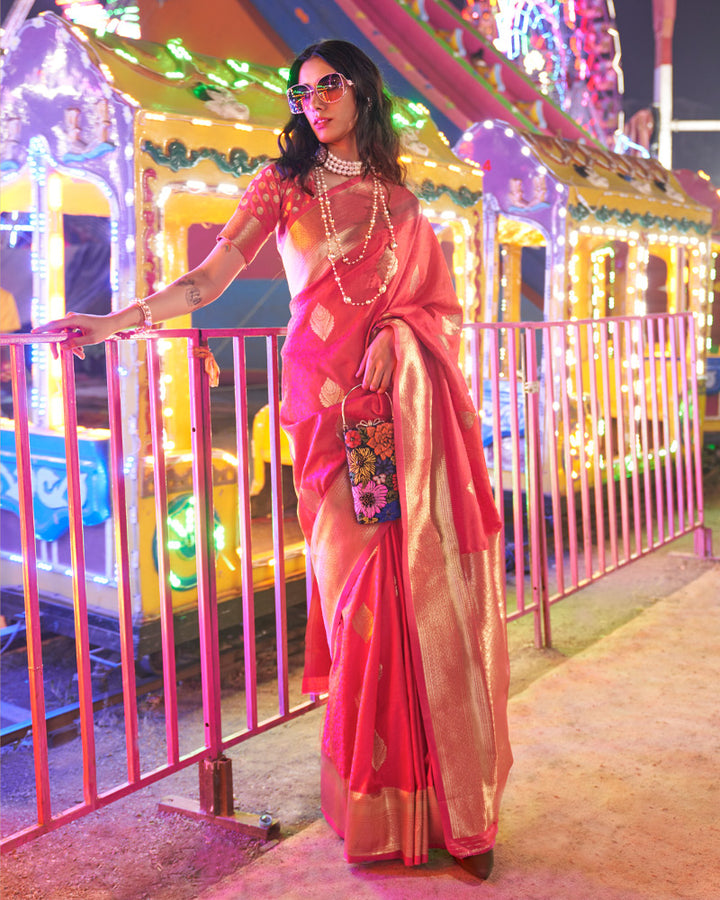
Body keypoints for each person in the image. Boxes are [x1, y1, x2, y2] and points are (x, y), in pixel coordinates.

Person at [36, 39, 512, 879]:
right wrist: (107, 324)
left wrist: (400, 339)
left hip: (393, 414)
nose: (314, 102)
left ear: (362, 89)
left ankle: (436, 804)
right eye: (301, 93)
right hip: (324, 420)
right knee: (359, 603)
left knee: (415, 597)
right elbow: (206, 283)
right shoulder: (282, 185)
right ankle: (374, 806)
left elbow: (437, 309)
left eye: (328, 86)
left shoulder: (401, 203)